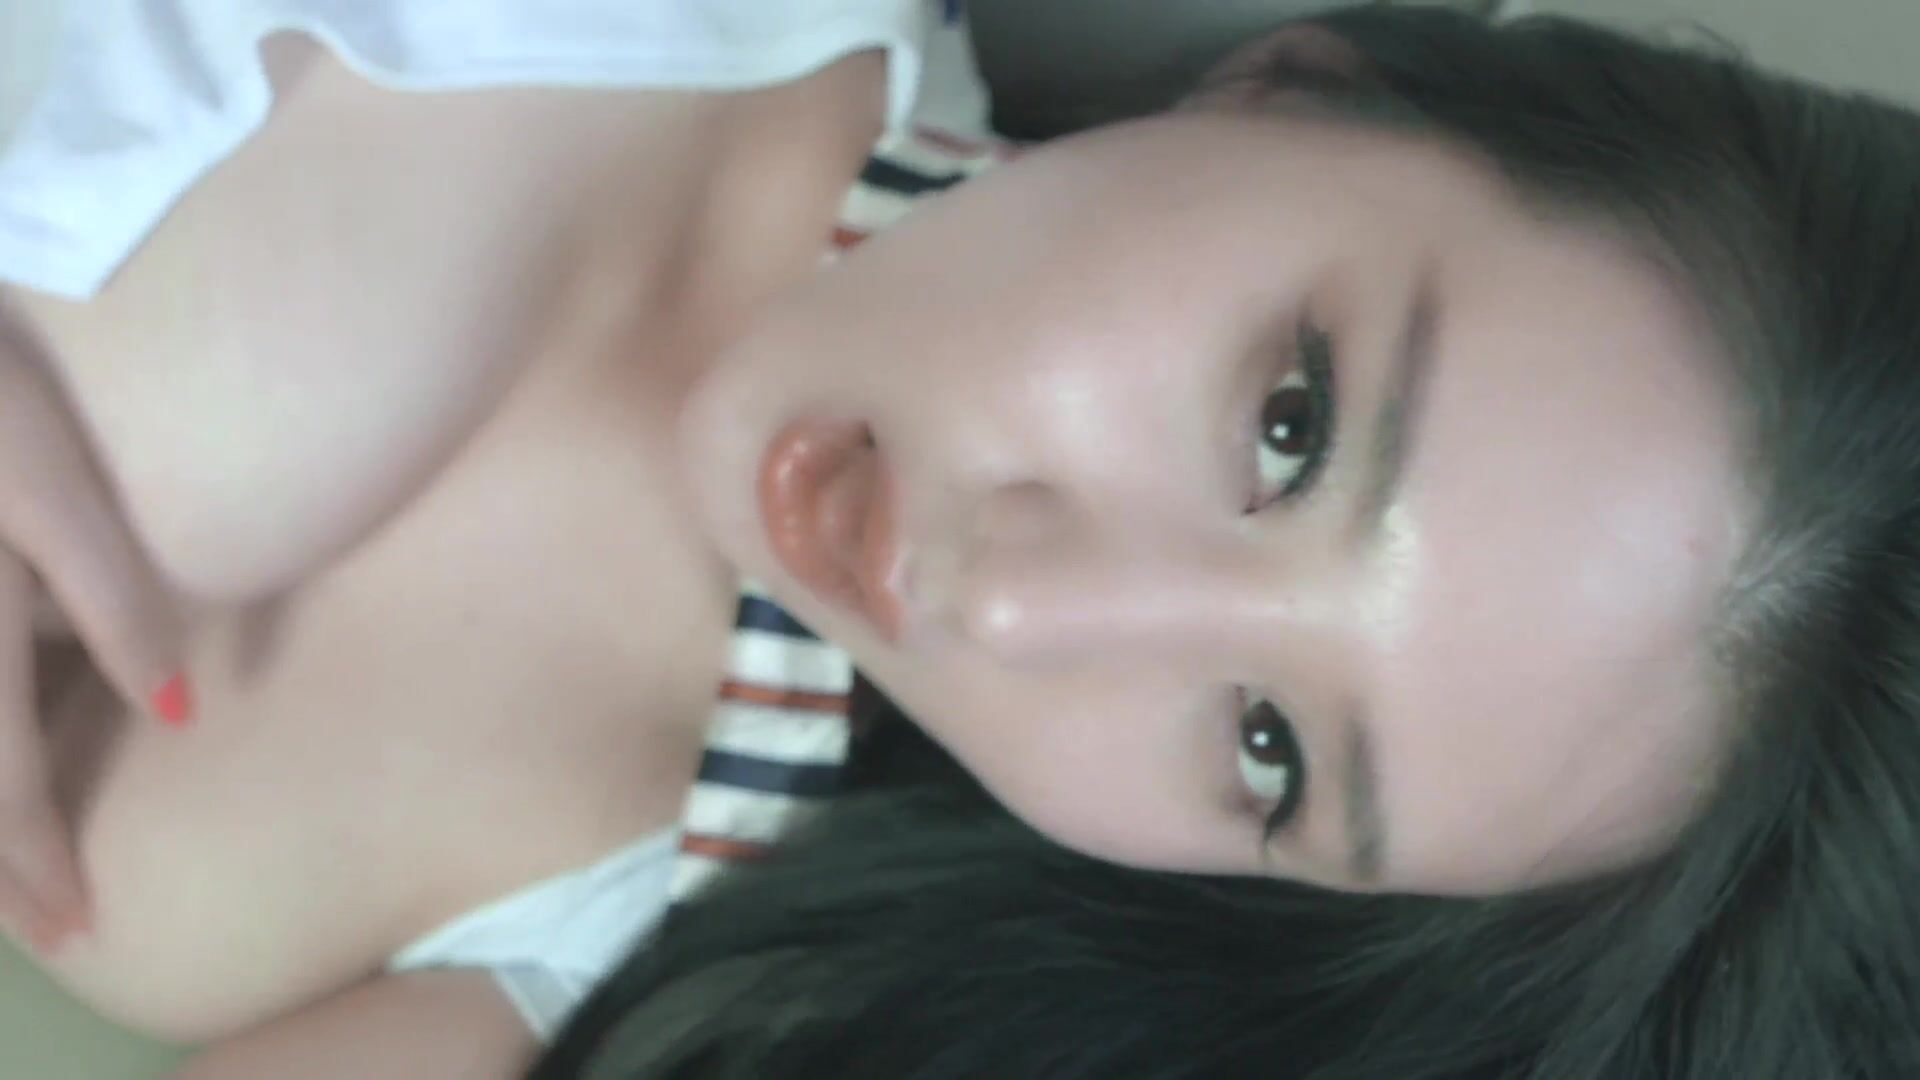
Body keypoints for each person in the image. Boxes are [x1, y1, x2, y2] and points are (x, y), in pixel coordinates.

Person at [0, 0, 1911, 1075]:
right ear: (1313, 79)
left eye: (1268, 750)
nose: (1016, 605)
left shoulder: (660, 931)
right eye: (1290, 424)